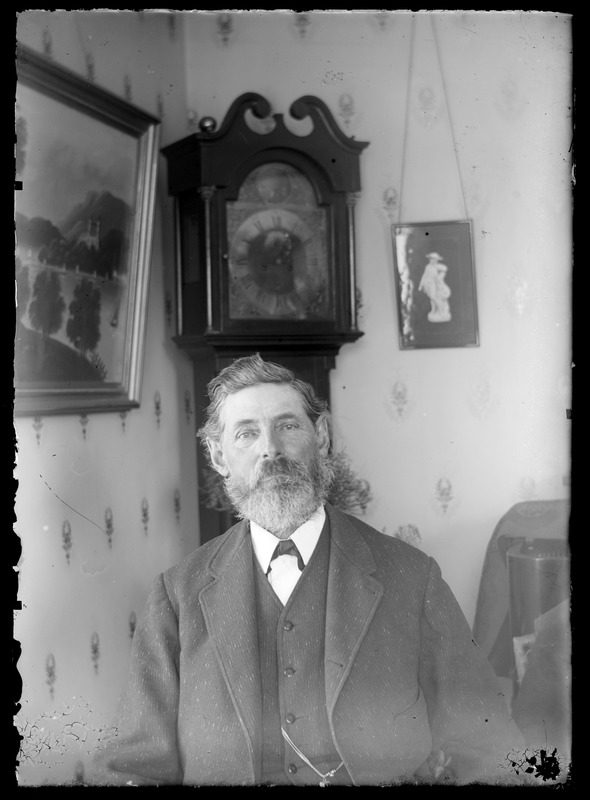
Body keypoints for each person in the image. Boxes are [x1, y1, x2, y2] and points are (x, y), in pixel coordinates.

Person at [97, 354, 523, 786]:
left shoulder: (412, 579)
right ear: (218, 456)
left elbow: (488, 749)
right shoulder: (177, 597)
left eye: (288, 425)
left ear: (320, 436)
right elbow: (134, 768)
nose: (270, 449)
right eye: (247, 433)